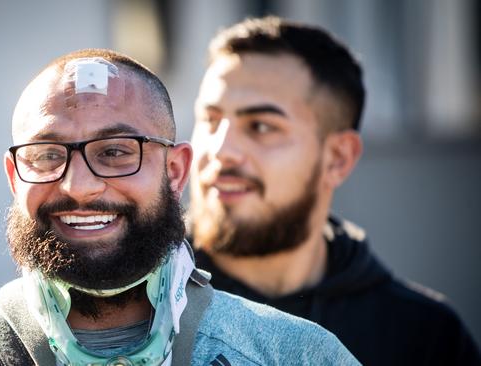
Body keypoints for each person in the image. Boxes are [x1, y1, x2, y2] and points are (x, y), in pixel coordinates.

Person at [0, 48, 358, 365]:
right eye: (46, 155)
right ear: (13, 176)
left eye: (116, 152)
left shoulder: (292, 354)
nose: (79, 186)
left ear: (177, 171)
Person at [188, 15, 481, 366]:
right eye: (211, 120)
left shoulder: (424, 336)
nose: (220, 151)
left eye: (261, 126)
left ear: (338, 158)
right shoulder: (132, 305)